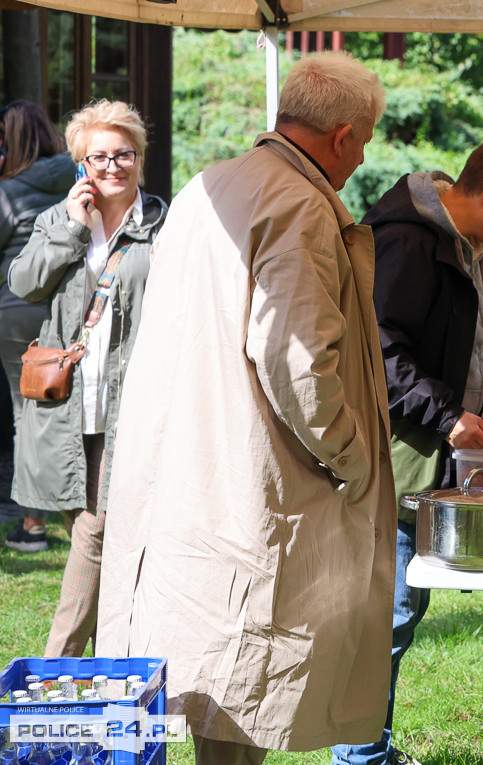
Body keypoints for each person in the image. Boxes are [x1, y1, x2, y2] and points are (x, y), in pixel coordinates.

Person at [96, 51, 395, 764]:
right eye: (366, 141)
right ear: (345, 136)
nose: (361, 158)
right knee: (231, 699)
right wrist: (355, 460)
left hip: (190, 468)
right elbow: (297, 362)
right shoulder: (295, 201)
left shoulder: (211, 183)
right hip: (246, 482)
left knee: (206, 684)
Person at [331, 135, 483, 765]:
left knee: (402, 607)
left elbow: (453, 335)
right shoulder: (407, 240)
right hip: (396, 451)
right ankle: (359, 755)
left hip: (426, 446)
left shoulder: (469, 240)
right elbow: (378, 350)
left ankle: (368, 747)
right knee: (389, 613)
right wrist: (445, 413)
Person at [7, 99, 167, 656]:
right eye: (98, 157)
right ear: (80, 164)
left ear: (140, 158)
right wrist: (72, 231)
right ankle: (102, 665)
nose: (112, 167)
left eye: (124, 154)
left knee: (97, 533)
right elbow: (24, 283)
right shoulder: (58, 219)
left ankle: (59, 666)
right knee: (98, 533)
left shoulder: (161, 226)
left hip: (135, 405)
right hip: (68, 406)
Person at [0, 100, 75, 553]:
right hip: (70, 308)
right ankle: (77, 514)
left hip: (16, 311)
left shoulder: (8, 192)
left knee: (25, 414)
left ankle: (32, 526)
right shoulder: (82, 179)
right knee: (64, 410)